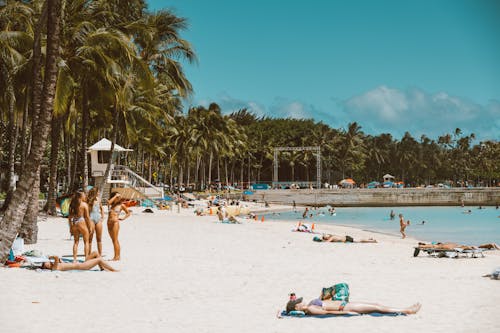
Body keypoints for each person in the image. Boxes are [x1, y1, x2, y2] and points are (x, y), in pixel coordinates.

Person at [284, 295, 421, 316]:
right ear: (297, 307)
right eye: (298, 302)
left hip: (346, 304)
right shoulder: (310, 308)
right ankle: (407, 310)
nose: (301, 301)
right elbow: (326, 313)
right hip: (346, 308)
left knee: (376, 304)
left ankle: (405, 309)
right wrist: (346, 313)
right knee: (377, 307)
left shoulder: (309, 305)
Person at [68, 191, 92, 262]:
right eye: (84, 195)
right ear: (80, 197)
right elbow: (87, 217)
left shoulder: (72, 204)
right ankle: (86, 258)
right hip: (82, 222)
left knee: (76, 242)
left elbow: (69, 217)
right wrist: (89, 226)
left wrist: (71, 227)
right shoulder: (84, 205)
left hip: (75, 222)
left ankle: (74, 259)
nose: (85, 196)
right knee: (86, 242)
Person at [107, 192, 131, 261]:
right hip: (109, 223)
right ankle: (116, 256)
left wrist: (123, 218)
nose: (118, 198)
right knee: (113, 240)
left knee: (115, 240)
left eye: (118, 197)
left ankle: (117, 256)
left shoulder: (121, 205)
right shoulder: (111, 205)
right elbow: (108, 202)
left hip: (115, 223)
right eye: (116, 197)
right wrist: (115, 196)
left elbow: (128, 213)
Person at [40, 252, 117, 272]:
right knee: (99, 259)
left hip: (81, 264)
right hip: (82, 266)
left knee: (95, 253)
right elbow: (56, 257)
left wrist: (60, 260)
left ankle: (102, 268)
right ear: (46, 267)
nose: (48, 262)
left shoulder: (56, 265)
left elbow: (58, 259)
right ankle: (114, 270)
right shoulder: (54, 268)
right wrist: (50, 257)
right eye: (46, 263)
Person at [87, 187, 104, 256]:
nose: (99, 193)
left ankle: (100, 255)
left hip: (98, 219)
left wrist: (102, 217)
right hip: (91, 219)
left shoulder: (98, 199)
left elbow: (102, 209)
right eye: (98, 192)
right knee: (90, 238)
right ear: (95, 192)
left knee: (99, 238)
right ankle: (89, 255)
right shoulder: (88, 200)